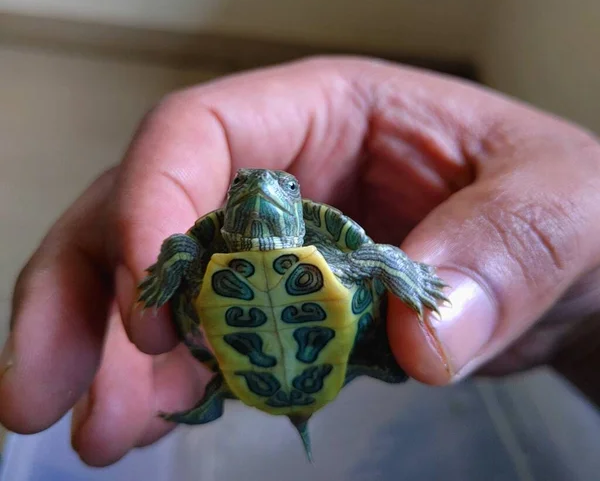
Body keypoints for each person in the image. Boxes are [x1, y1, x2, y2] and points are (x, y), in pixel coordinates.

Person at [0, 57, 599, 467]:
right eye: (246, 186)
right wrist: (168, 267)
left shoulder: (339, 250)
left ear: (296, 202)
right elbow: (181, 251)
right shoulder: (201, 247)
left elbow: (378, 257)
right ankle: (208, 401)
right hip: (265, 363)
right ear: (232, 203)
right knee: (180, 259)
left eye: (282, 185)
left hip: (301, 351)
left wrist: (421, 278)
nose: (262, 187)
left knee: (380, 262)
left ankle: (211, 397)